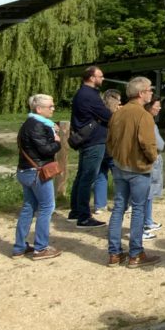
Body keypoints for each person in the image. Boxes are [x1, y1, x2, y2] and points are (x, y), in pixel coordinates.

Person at [105, 76, 160, 268]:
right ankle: (136, 254)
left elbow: (109, 141)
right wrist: (153, 158)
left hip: (120, 166)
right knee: (138, 209)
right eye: (149, 90)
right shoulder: (143, 115)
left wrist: (117, 157)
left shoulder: (117, 113)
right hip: (138, 168)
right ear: (141, 93)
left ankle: (114, 253)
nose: (151, 93)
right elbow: (147, 143)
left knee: (119, 207)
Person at [11, 94, 63, 261]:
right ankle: (40, 248)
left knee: (28, 207)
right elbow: (47, 150)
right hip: (37, 172)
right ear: (39, 109)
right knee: (47, 207)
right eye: (50, 106)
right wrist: (57, 141)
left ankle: (19, 247)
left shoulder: (28, 123)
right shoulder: (38, 126)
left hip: (25, 171)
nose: (53, 109)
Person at [68, 66, 112, 228]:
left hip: (87, 140)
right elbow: (107, 116)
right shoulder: (89, 95)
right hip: (93, 140)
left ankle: (75, 212)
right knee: (88, 177)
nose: (103, 78)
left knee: (81, 176)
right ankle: (84, 217)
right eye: (100, 76)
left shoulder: (82, 93)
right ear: (92, 78)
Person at [92, 89, 122, 216]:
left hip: (99, 146)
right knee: (119, 177)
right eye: (119, 100)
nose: (121, 102)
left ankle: (100, 205)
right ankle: (121, 204)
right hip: (112, 148)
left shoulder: (98, 112)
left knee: (100, 176)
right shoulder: (115, 115)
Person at [142, 96, 165, 241]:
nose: (159, 108)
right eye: (157, 105)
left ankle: (148, 220)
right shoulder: (149, 122)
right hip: (150, 161)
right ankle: (146, 224)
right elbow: (160, 144)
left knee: (147, 194)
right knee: (147, 194)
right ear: (150, 107)